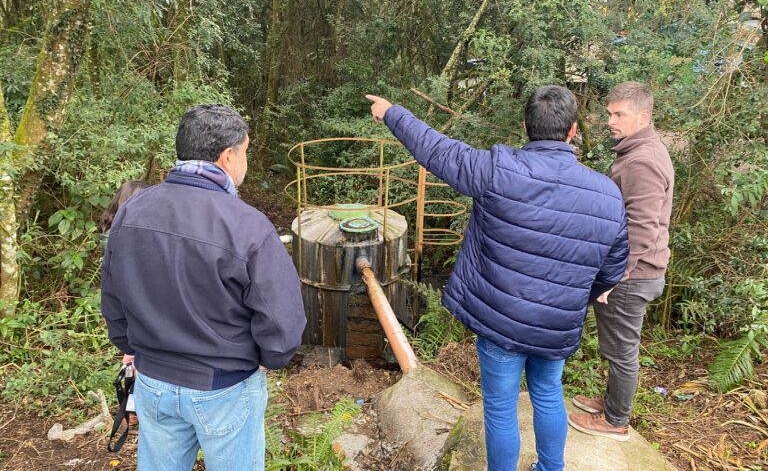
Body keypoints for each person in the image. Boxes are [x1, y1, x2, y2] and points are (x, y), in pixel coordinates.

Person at [366, 87, 629, 471]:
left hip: (501, 320)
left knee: (502, 408)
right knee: (548, 392)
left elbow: (436, 149)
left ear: (525, 127)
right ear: (573, 132)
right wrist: (575, 298)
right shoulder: (607, 194)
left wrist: (392, 112)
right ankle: (550, 468)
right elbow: (613, 267)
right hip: (557, 323)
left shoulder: (497, 170)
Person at [101, 104, 306, 471]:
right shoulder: (248, 226)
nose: (245, 159)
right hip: (225, 387)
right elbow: (283, 321)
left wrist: (130, 347)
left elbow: (113, 297)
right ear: (228, 156)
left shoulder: (132, 211)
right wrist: (268, 360)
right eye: (245, 151)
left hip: (154, 384)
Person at [568, 81, 674, 441]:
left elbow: (642, 230)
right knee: (616, 348)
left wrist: (616, 278)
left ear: (643, 116)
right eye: (609, 112)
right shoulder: (640, 151)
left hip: (632, 275)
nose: (610, 120)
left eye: (619, 114)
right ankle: (611, 402)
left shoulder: (642, 160)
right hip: (635, 272)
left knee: (622, 351)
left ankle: (615, 422)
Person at [99, 179, 151, 425]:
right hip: (138, 313)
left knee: (133, 359)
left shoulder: (112, 235)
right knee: (136, 360)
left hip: (129, 317)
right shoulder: (123, 241)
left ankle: (132, 408)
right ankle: (133, 407)